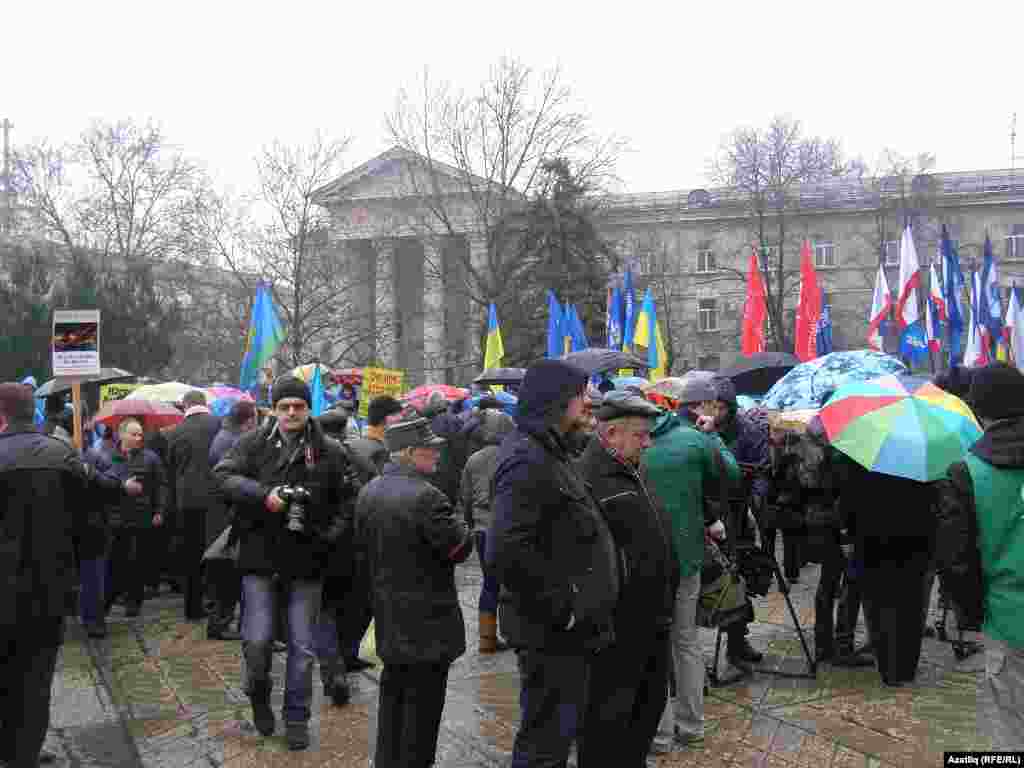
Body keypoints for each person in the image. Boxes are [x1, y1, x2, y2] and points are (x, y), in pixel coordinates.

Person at [489, 358, 620, 768]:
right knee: (544, 744)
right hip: (550, 632)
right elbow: (507, 548)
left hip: (565, 631)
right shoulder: (527, 457)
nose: (588, 405)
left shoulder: (551, 450)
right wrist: (562, 607)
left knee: (555, 737)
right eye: (581, 396)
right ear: (557, 401)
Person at [212, 376, 355, 750]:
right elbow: (222, 477)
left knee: (302, 649)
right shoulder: (252, 444)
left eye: (299, 406)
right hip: (259, 559)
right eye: (284, 406)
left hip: (308, 562)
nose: (291, 412)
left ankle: (296, 718)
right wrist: (264, 496)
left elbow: (348, 503)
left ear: (310, 409)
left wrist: (328, 536)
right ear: (273, 410)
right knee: (257, 643)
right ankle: (258, 695)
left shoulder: (331, 451)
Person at [0, 383, 126, 766]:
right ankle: (24, 753)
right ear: (31, 412)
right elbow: (105, 495)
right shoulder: (63, 455)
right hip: (49, 583)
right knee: (36, 674)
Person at [357, 417, 473, 767]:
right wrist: (464, 526)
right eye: (430, 448)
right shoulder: (428, 496)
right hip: (428, 624)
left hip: (389, 617)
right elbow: (459, 548)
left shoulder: (370, 490)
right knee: (422, 715)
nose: (437, 453)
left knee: (393, 702)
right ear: (408, 453)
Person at [579, 391, 678, 765]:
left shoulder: (633, 466)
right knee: (608, 718)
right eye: (640, 434)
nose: (648, 442)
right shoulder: (588, 478)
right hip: (620, 625)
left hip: (653, 615)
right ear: (611, 435)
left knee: (648, 708)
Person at [643, 378, 739, 750]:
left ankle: (660, 733)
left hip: (647, 559)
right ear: (704, 408)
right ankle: (691, 725)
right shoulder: (697, 440)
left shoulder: (647, 438)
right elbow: (731, 477)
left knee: (654, 647)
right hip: (685, 559)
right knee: (685, 642)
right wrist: (713, 437)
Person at [935, 362, 1024, 748]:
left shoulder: (966, 472)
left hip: (1008, 620)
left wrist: (971, 614)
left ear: (980, 410)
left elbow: (956, 560)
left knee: (1011, 729)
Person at [837, 457, 936, 687]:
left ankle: (889, 670)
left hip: (872, 544)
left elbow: (849, 500)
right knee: (910, 608)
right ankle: (906, 668)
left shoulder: (862, 459)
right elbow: (932, 503)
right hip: (913, 545)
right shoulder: (919, 458)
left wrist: (848, 534)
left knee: (878, 609)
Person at [704, 376, 768, 670]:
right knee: (722, 578)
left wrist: (755, 502)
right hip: (715, 514)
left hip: (742, 514)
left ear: (729, 407)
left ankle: (737, 641)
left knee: (743, 576)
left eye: (720, 407)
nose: (714, 413)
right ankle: (731, 638)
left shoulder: (749, 431)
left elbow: (763, 471)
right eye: (711, 406)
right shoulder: (703, 430)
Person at [340, 394, 404, 672]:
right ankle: (352, 652)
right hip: (365, 534)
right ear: (387, 419)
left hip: (352, 533)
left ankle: (350, 650)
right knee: (362, 598)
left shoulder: (356, 444)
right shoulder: (374, 451)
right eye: (398, 417)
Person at [94, 418, 167, 620]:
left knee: (138, 560)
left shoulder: (150, 458)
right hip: (115, 518)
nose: (138, 438)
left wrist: (159, 510)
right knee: (114, 561)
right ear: (121, 434)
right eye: (133, 434)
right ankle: (107, 601)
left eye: (140, 434)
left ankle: (134, 601)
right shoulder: (107, 456)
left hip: (141, 516)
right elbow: (100, 484)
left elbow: (161, 485)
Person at [459, 408, 516, 653]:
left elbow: (465, 496)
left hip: (483, 531)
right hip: (508, 528)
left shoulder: (474, 459)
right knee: (513, 583)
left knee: (490, 583)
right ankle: (512, 632)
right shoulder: (513, 455)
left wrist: (472, 523)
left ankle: (487, 639)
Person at [165, 390, 223, 621]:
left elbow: (170, 470)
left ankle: (192, 607)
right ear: (205, 404)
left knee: (190, 555)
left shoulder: (174, 432)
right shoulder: (219, 425)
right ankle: (218, 605)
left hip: (186, 500)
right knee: (218, 552)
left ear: (185, 406)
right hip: (217, 497)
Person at [204, 399, 258, 641]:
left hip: (223, 513)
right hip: (229, 515)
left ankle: (222, 622)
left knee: (226, 572)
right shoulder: (233, 442)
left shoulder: (224, 436)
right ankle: (220, 623)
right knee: (229, 573)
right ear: (248, 421)